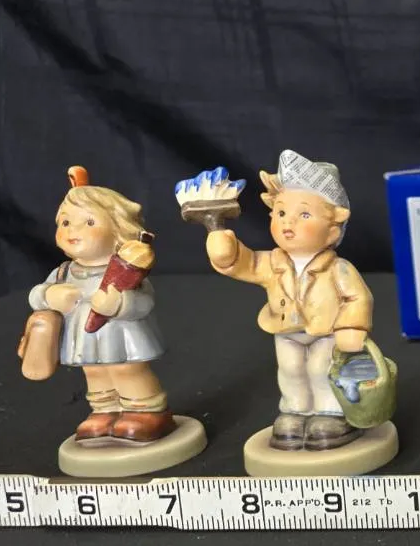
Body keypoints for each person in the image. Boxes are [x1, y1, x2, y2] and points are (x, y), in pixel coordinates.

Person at [204, 150, 371, 452]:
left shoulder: (338, 269)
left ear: (333, 228)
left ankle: (330, 412)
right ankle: (296, 410)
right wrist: (224, 249)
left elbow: (357, 297)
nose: (288, 223)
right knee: (290, 369)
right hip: (286, 332)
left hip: (326, 333)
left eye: (304, 215)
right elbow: (246, 263)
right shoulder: (272, 262)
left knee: (322, 369)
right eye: (281, 213)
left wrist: (351, 328)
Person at [25, 167, 175, 442]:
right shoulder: (63, 272)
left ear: (119, 230)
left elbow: (144, 302)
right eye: (65, 222)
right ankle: (104, 410)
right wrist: (49, 295)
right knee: (93, 372)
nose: (73, 230)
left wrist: (119, 304)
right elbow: (36, 296)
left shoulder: (128, 269)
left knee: (126, 370)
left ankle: (146, 410)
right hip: (83, 337)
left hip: (122, 337)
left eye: (89, 222)